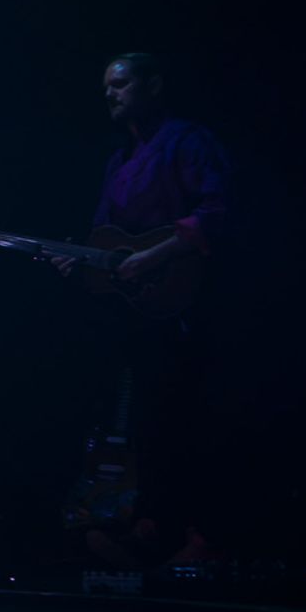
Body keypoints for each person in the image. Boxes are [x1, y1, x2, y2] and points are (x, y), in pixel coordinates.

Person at [75, 52, 233, 564]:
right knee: (146, 421)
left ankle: (200, 534)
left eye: (119, 84)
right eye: (105, 87)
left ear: (154, 85)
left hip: (187, 301)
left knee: (187, 418)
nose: (110, 94)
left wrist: (152, 258)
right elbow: (105, 239)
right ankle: (150, 526)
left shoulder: (188, 142)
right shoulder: (117, 161)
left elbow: (216, 212)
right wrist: (79, 260)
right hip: (140, 314)